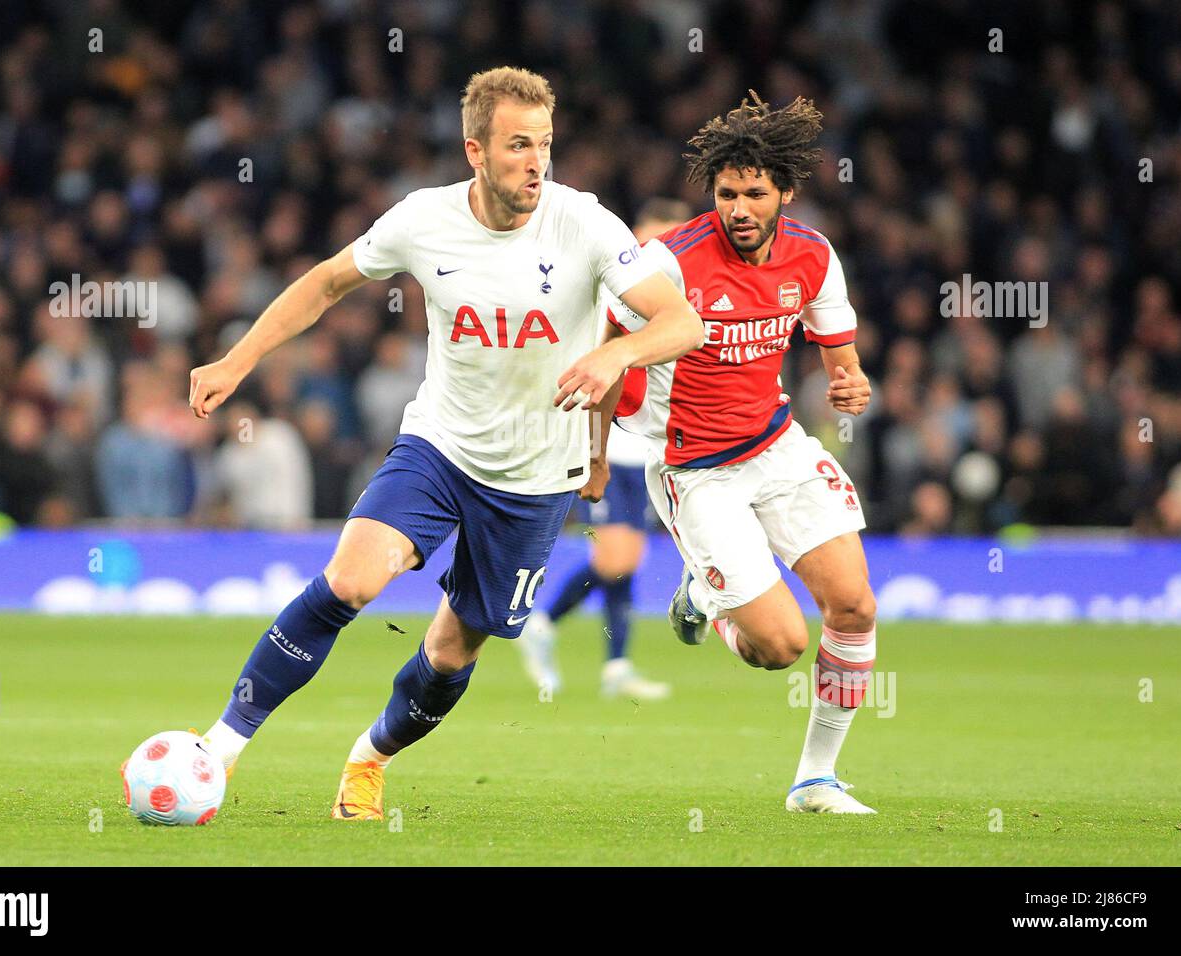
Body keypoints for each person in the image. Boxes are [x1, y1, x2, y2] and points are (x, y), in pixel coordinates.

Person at [179, 67, 702, 820]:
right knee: (350, 582)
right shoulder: (423, 220)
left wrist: (614, 362)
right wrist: (238, 360)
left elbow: (681, 323)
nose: (535, 162)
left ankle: (369, 758)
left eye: (545, 145)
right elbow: (325, 283)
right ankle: (217, 752)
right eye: (518, 145)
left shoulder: (586, 224)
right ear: (475, 152)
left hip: (534, 477)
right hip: (441, 448)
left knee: (454, 650)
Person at [602, 93, 879, 814]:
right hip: (695, 472)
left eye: (755, 192)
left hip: (776, 444)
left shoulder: (813, 257)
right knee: (778, 647)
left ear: (784, 190)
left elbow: (839, 357)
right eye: (727, 192)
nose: (740, 206)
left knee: (852, 606)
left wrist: (849, 383)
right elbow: (610, 355)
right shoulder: (671, 263)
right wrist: (595, 457)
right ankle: (703, 594)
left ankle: (815, 779)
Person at [518, 199, 693, 700]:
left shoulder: (675, 302)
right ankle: (544, 623)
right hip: (611, 442)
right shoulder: (606, 289)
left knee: (626, 563)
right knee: (618, 557)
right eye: (657, 238)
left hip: (650, 447)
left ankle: (616, 666)